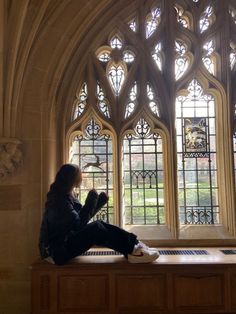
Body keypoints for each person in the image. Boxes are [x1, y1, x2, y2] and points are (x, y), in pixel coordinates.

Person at [39, 163, 159, 265]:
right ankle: (133, 249)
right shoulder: (59, 200)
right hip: (57, 252)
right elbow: (79, 224)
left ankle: (133, 247)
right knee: (96, 227)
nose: (82, 177)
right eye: (79, 175)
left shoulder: (67, 195)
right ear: (72, 178)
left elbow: (82, 218)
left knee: (98, 226)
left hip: (62, 245)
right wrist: (91, 200)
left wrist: (99, 201)